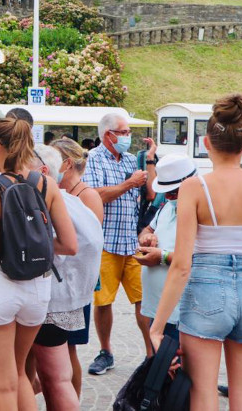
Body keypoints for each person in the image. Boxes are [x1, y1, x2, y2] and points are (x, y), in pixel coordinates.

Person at [150, 94, 242, 410]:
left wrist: (157, 327)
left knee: (203, 394)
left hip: (206, 290)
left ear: (206, 143)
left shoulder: (195, 188)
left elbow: (182, 264)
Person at [0, 118, 77, 410]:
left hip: (0, 288)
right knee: (19, 374)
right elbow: (69, 244)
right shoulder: (47, 184)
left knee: (4, 384)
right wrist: (29, 245)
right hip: (37, 291)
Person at [28, 143, 103, 406]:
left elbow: (67, 246)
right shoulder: (70, 200)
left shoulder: (45, 201)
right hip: (67, 298)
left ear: (43, 170)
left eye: (25, 165)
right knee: (54, 375)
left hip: (52, 299)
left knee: (53, 377)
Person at [82, 113, 157, 374]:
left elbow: (150, 193)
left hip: (130, 241)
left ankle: (151, 354)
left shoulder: (129, 159)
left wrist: (149, 160)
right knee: (103, 301)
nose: (127, 137)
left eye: (128, 132)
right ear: (108, 135)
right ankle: (106, 351)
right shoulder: (94, 159)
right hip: (105, 242)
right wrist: (128, 184)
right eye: (123, 132)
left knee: (143, 301)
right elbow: (94, 195)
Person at [135, 154, 197, 343]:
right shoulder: (167, 207)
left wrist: (161, 256)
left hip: (181, 309)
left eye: (173, 193)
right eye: (166, 193)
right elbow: (148, 228)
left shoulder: (200, 211)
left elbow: (199, 258)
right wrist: (147, 237)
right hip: (159, 307)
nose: (169, 197)